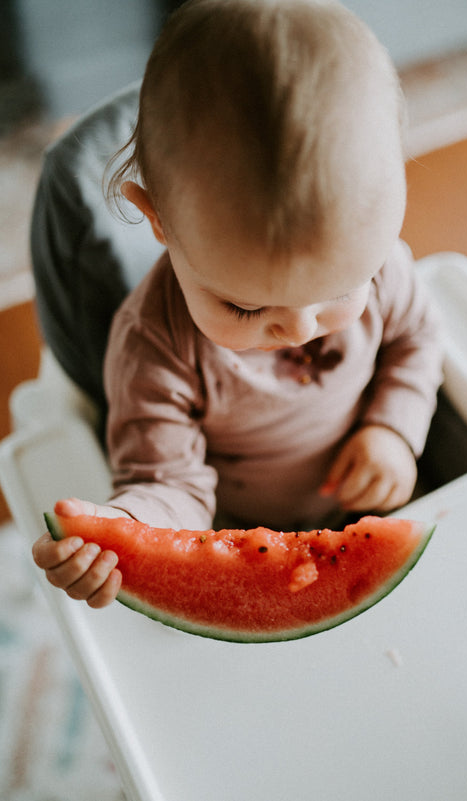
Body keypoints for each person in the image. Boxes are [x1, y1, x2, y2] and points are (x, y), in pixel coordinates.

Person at [32, 0, 443, 609]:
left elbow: (417, 340)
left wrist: (394, 429)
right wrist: (122, 529)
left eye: (337, 293)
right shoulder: (154, 346)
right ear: (159, 221)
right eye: (247, 309)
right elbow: (168, 483)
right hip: (238, 530)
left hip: (371, 501)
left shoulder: (381, 265)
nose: (299, 328)